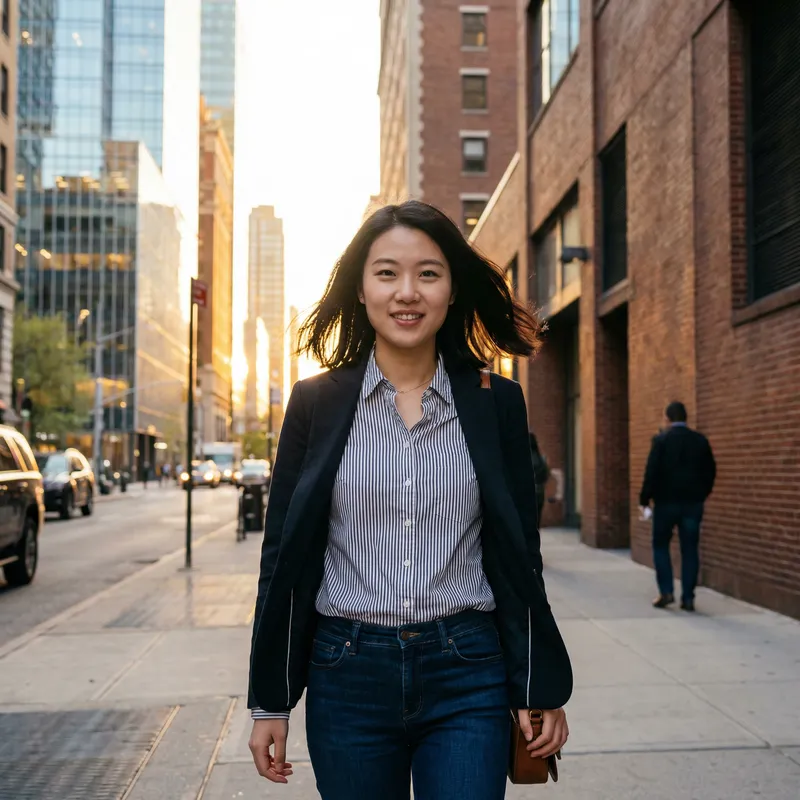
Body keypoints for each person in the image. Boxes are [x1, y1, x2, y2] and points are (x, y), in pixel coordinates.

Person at [247, 201, 572, 799]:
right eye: (387, 272)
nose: (407, 292)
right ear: (361, 288)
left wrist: (537, 683)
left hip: (468, 668)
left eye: (428, 273)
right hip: (346, 673)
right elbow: (283, 559)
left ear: (452, 289)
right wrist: (269, 699)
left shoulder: (495, 401)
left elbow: (518, 553)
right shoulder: (315, 403)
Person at [639, 401, 716, 611]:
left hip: (665, 504)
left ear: (667, 418)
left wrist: (644, 500)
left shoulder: (661, 441)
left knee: (660, 545)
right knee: (690, 549)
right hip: (692, 504)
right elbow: (710, 472)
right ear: (685, 417)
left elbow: (651, 472)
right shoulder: (700, 441)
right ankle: (688, 597)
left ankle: (666, 591)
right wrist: (702, 494)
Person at [529, 432, 550, 530]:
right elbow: (546, 477)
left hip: (528, 494)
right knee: (537, 523)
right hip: (540, 493)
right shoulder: (541, 459)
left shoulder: (524, 458)